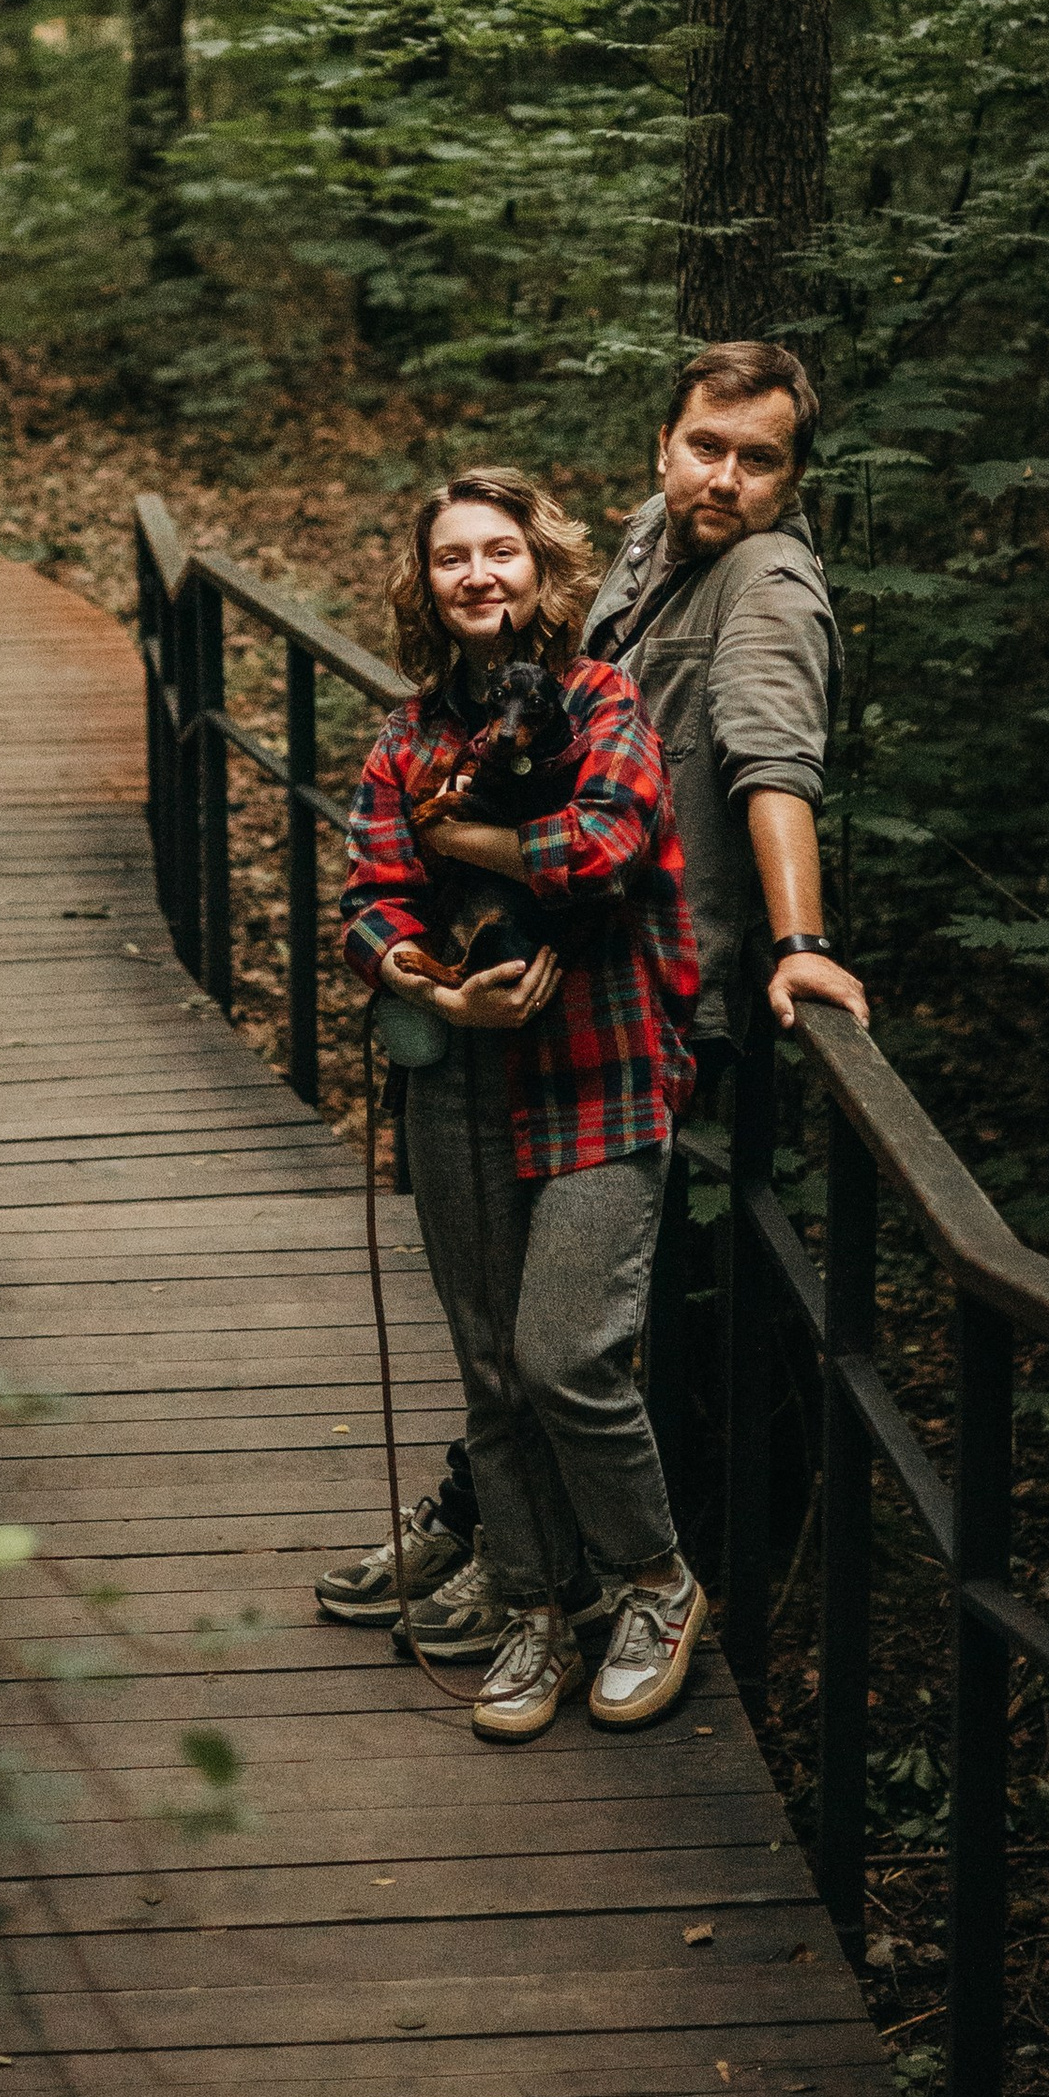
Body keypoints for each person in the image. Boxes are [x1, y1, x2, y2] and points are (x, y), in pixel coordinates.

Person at [337, 464, 707, 1742]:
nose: (478, 574)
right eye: (453, 558)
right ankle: (534, 1609)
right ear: (427, 584)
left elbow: (604, 845)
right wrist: (435, 992)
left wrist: (474, 845)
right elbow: (370, 896)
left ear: (542, 574)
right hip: (463, 1082)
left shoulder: (605, 702)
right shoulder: (403, 737)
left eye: (501, 552)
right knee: (493, 1371)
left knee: (566, 1356)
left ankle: (651, 1582)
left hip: (602, 1068)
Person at [582, 339, 870, 1051]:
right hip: (580, 939)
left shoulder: (768, 585)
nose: (725, 480)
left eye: (759, 460)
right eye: (705, 447)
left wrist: (800, 943)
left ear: (793, 476)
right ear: (664, 446)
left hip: (653, 984)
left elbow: (772, 762)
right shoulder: (655, 526)